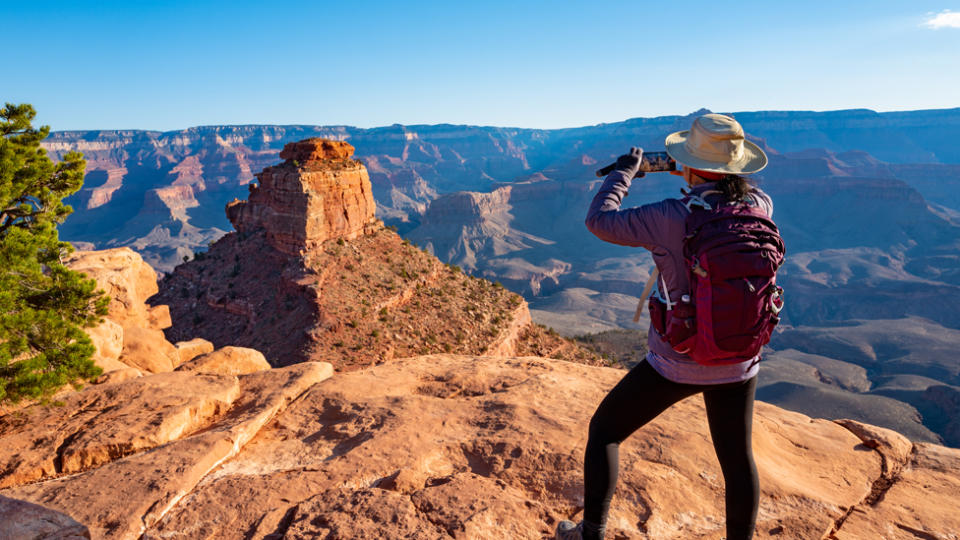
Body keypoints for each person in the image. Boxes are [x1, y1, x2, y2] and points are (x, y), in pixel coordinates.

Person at [556, 113, 773, 540]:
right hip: (739, 361)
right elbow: (723, 190)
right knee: (737, 460)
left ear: (689, 163)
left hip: (679, 360)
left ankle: (589, 534)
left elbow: (600, 220)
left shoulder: (669, 216)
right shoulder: (761, 207)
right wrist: (696, 167)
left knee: (605, 431)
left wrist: (625, 173)